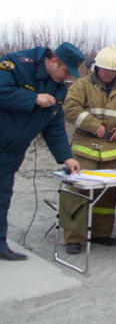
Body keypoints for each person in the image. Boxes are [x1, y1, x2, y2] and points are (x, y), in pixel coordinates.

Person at [0, 43, 84, 261]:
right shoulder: (17, 64)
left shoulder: (59, 89)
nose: (66, 77)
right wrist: (33, 98)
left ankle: (0, 245)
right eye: (66, 71)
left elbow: (54, 126)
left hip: (12, 151)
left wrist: (66, 157)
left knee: (2, 197)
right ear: (53, 61)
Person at [61, 44, 116, 254]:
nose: (109, 75)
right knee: (78, 192)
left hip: (112, 152)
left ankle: (101, 233)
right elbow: (70, 109)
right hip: (85, 149)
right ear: (96, 68)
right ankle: (73, 238)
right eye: (106, 70)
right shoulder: (82, 86)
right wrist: (93, 125)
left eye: (114, 72)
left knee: (107, 196)